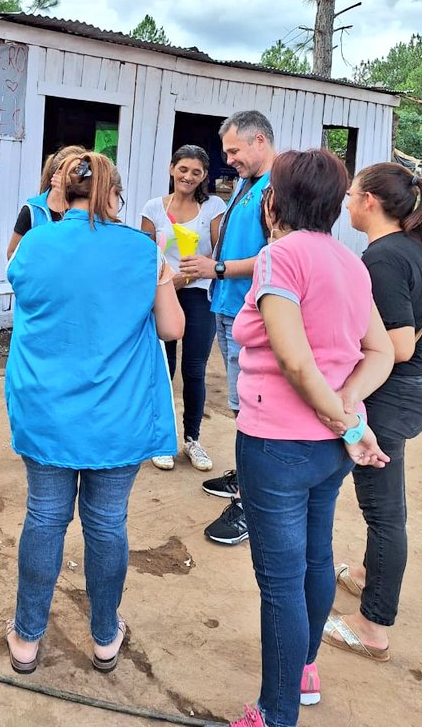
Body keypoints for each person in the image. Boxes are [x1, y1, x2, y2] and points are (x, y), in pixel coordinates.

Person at [226, 149, 393, 727]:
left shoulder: (280, 257)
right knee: (315, 559)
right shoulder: (350, 262)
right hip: (328, 451)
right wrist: (348, 408)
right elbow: (380, 351)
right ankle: (303, 670)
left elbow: (296, 363)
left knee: (280, 583)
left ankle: (275, 714)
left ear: (274, 200)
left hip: (277, 445)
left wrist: (345, 419)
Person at [4, 152, 184, 675]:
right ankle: (105, 636)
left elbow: (28, 295)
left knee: (44, 517)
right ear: (112, 195)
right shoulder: (143, 250)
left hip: (46, 409)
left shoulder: (36, 242)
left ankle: (27, 637)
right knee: (106, 524)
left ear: (66, 192)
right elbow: (171, 328)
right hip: (117, 414)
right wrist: (164, 278)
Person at [323, 162, 422, 662]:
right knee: (383, 505)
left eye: (351, 195)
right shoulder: (414, 248)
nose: (347, 204)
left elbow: (397, 345)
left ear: (370, 202)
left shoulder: (384, 258)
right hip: (412, 388)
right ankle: (366, 573)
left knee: (384, 513)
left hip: (391, 396)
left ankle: (373, 626)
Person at [181, 110, 275, 545]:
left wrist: (216, 268)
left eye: (235, 151)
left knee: (252, 404)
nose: (230, 159)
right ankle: (246, 475)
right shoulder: (245, 183)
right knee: (240, 402)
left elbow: (277, 256)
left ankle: (250, 502)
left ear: (260, 141)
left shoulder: (276, 189)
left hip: (249, 311)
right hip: (226, 305)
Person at [140, 144, 226, 471]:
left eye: (196, 172)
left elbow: (218, 254)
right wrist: (164, 283)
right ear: (171, 168)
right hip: (163, 295)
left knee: (194, 368)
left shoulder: (213, 207)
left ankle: (192, 439)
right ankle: (161, 439)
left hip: (199, 294)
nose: (188, 176)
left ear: (204, 176)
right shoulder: (153, 208)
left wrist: (185, 278)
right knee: (164, 368)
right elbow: (145, 256)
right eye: (183, 169)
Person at [6, 144, 86, 258]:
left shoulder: (83, 210)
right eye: (76, 171)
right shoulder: (32, 210)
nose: (81, 177)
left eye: (84, 172)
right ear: (59, 173)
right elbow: (12, 253)